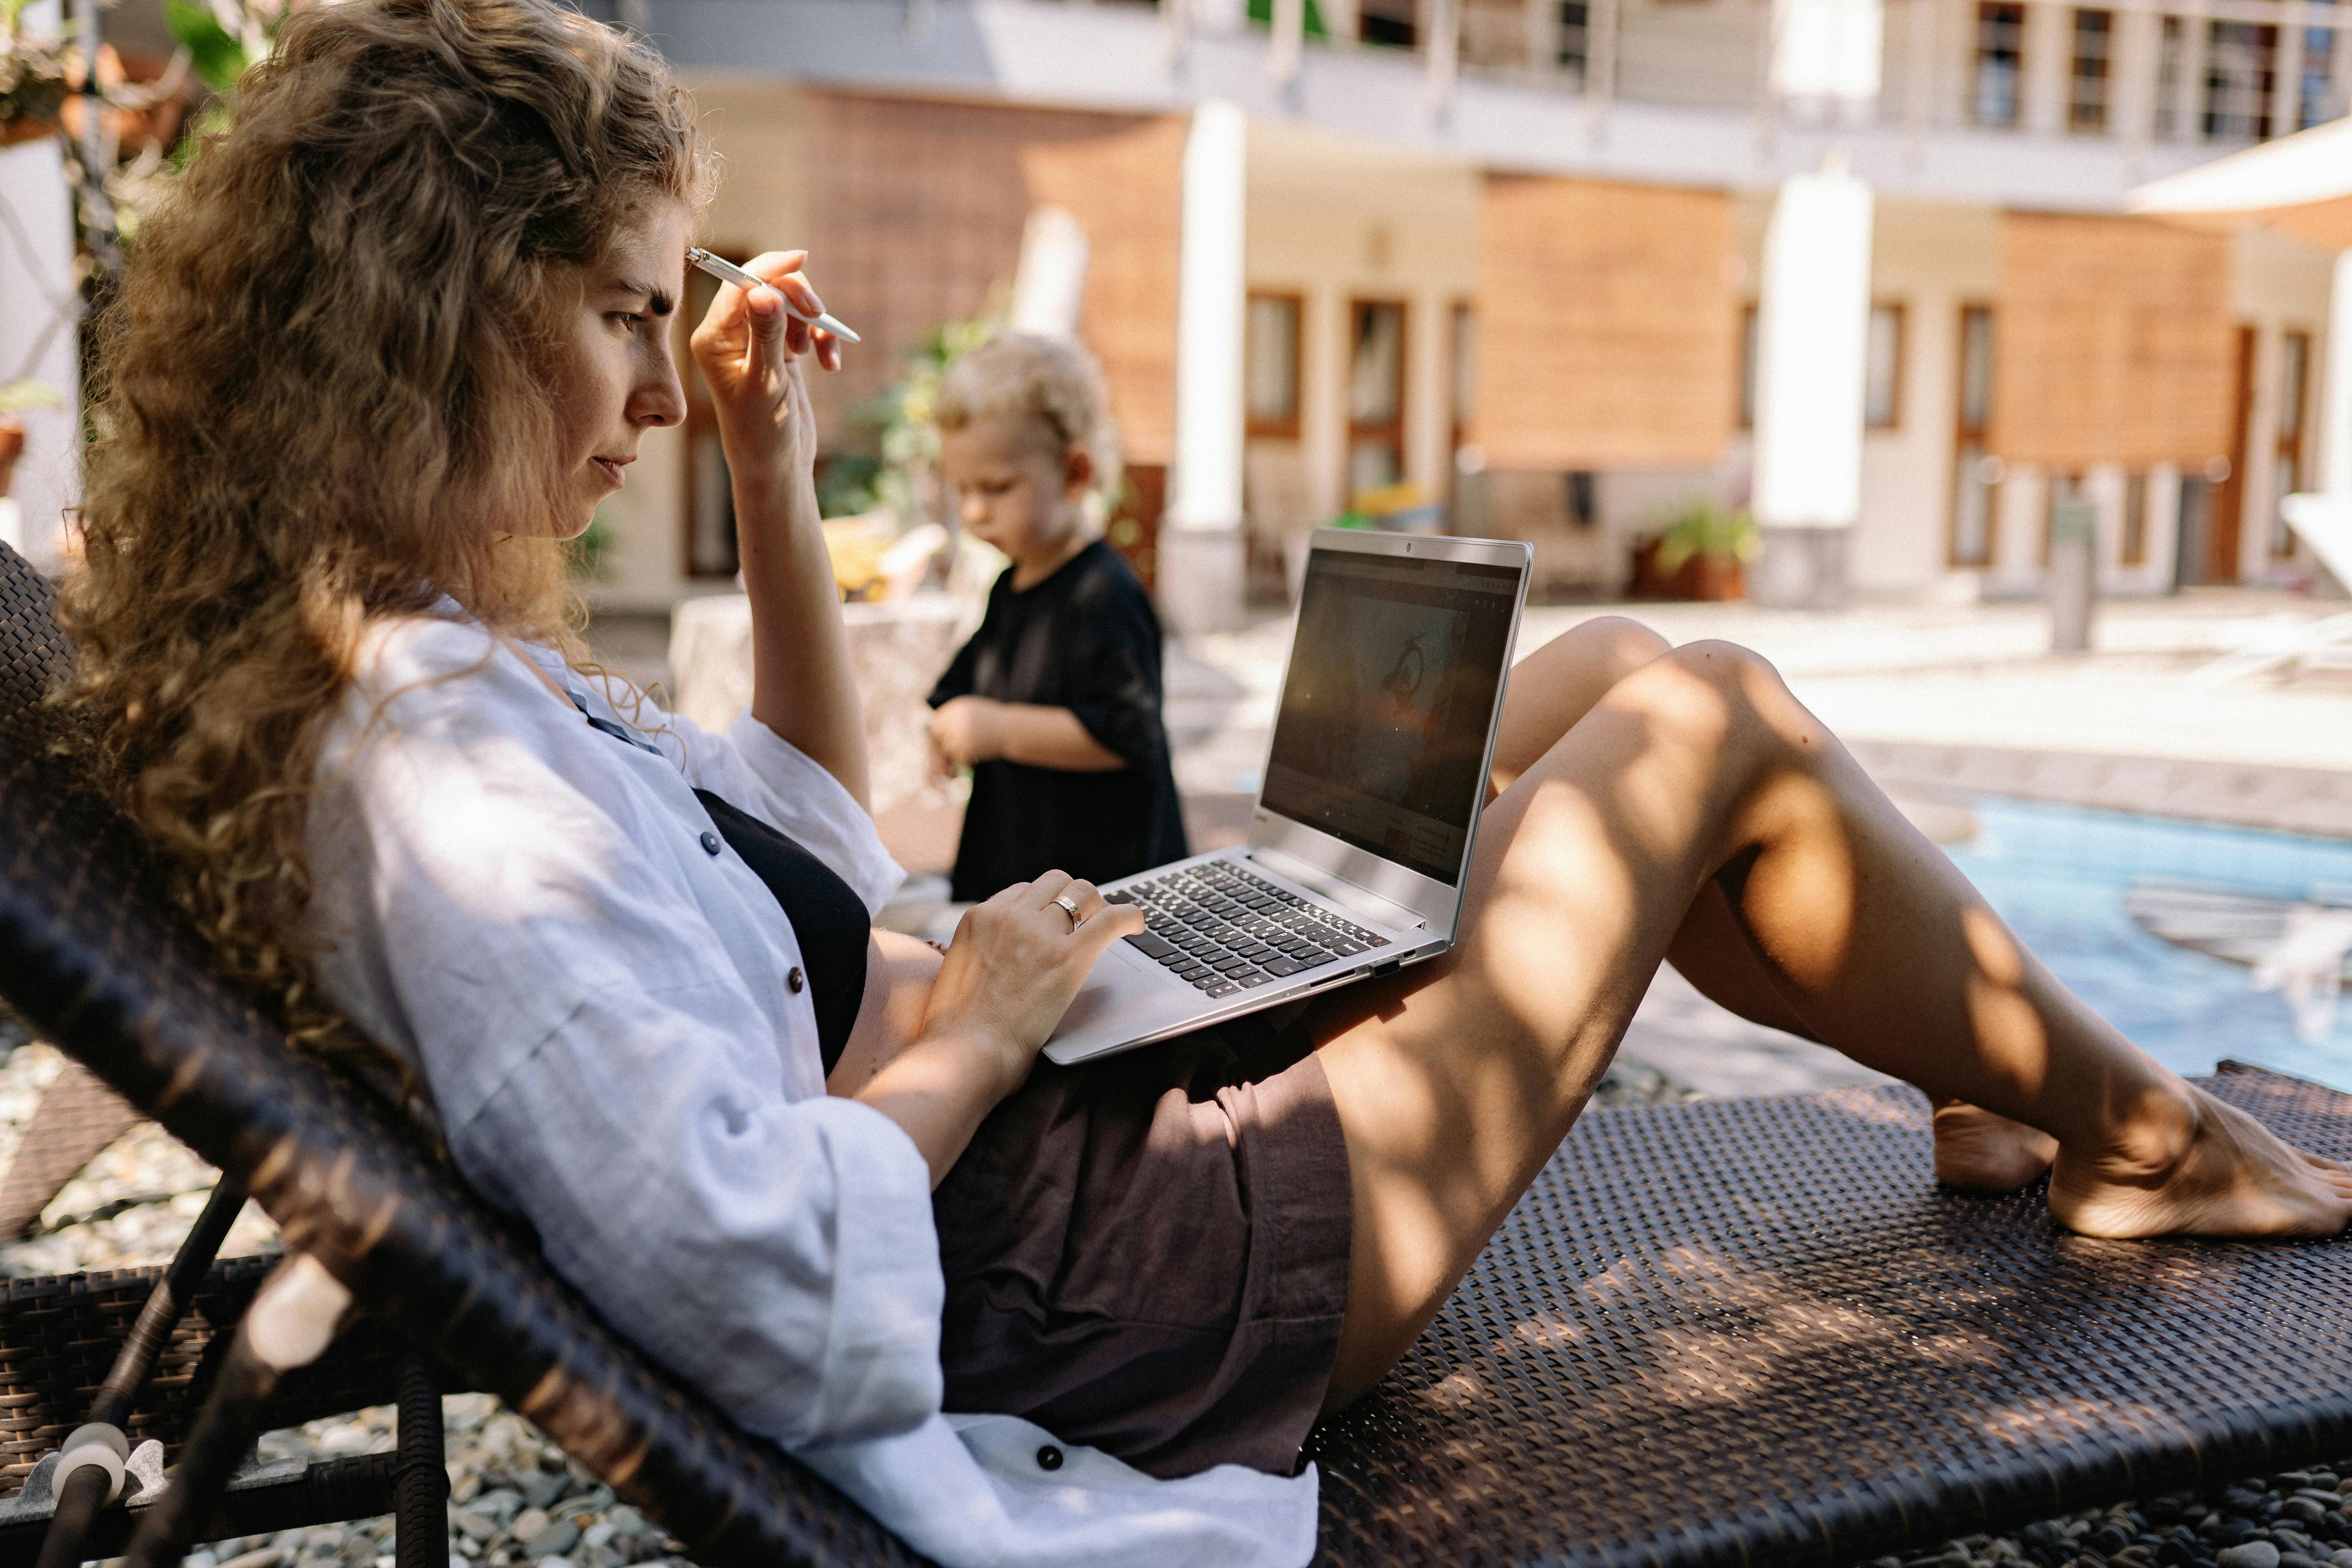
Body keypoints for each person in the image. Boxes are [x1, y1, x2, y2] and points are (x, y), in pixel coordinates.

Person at [58, 2, 2352, 1563]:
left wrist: (771, 467)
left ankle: (2000, 1084)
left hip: (1075, 1122)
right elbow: (736, 1256)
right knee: (1711, 713)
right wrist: (971, 1034)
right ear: (448, 312)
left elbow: (813, 847)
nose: (653, 391)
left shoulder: (439, 686)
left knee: (1618, 665)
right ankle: (2145, 1139)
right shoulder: (446, 789)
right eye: (628, 321)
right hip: (1145, 1273)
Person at [924, 333, 1188, 901]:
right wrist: (945, 728)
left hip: (1100, 889)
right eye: (962, 489)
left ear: (1075, 473)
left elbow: (1126, 734)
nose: (973, 512)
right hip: (1026, 869)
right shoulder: (1009, 588)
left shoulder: (1106, 595)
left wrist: (998, 729)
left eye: (996, 488)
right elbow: (961, 687)